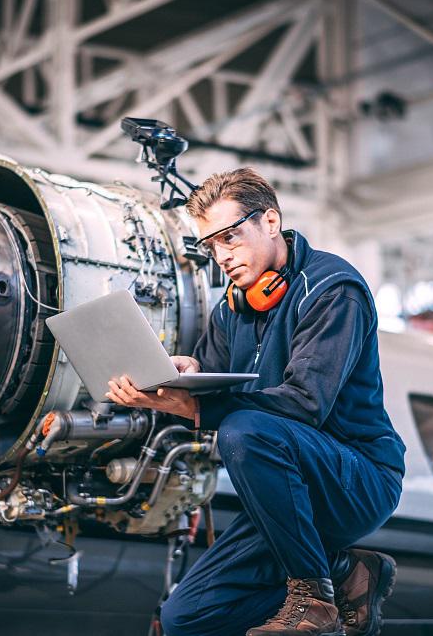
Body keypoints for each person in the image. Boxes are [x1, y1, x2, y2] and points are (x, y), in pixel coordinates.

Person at [105, 167, 405, 636]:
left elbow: (305, 403)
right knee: (184, 618)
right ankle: (344, 571)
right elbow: (211, 377)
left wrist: (201, 410)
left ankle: (313, 600)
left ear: (270, 222)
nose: (221, 255)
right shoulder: (235, 306)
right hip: (283, 492)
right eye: (211, 245)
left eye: (230, 237)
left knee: (243, 430)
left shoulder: (333, 290)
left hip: (356, 479)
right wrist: (178, 379)